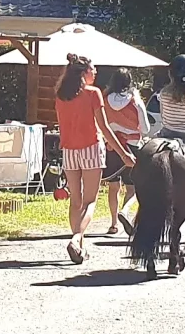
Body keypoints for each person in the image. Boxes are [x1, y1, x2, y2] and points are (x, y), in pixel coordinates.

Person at [52, 53, 138, 264]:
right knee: (90, 201)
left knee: (76, 200)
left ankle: (79, 246)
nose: (96, 72)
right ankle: (76, 238)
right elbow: (104, 127)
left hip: (69, 151)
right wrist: (124, 154)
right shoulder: (93, 93)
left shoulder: (61, 95)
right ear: (84, 73)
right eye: (93, 69)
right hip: (90, 148)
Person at [100, 68, 148, 235]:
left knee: (113, 186)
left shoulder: (104, 99)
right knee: (132, 187)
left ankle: (113, 223)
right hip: (133, 146)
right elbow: (146, 128)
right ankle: (126, 214)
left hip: (112, 145)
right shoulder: (134, 100)